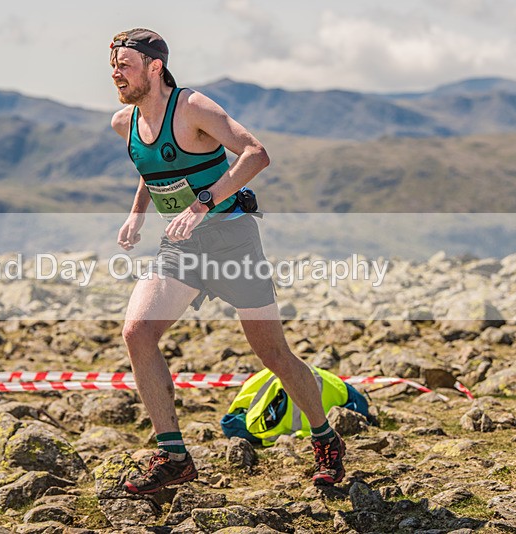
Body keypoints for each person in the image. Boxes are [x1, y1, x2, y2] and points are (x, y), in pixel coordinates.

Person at [109, 28, 346, 494]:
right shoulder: (124, 122)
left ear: (155, 67)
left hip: (233, 239)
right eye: (113, 64)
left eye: (125, 64)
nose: (116, 72)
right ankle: (174, 456)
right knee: (137, 331)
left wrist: (202, 203)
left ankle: (325, 438)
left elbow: (256, 154)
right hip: (182, 246)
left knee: (272, 352)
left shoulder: (193, 108)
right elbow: (151, 169)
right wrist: (136, 216)